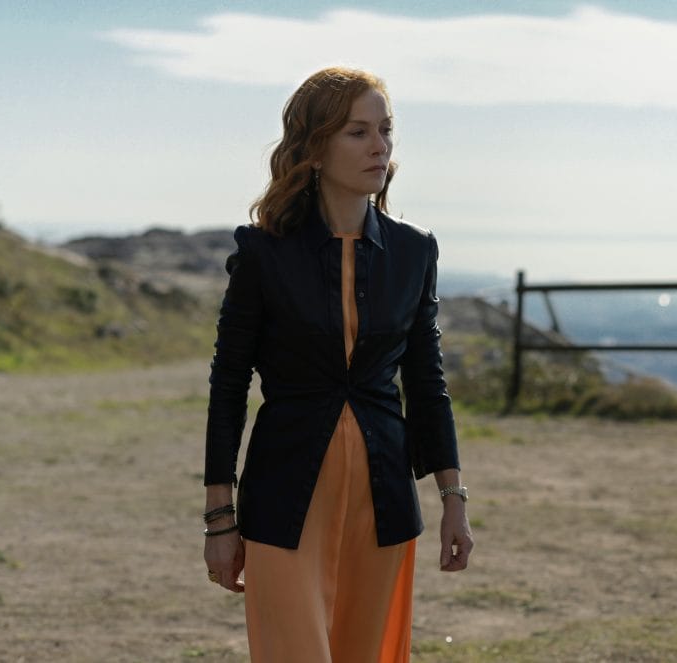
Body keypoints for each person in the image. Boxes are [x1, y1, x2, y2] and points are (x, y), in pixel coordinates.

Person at [201, 66, 473, 662]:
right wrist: (219, 517)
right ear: (315, 147)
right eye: (357, 131)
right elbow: (228, 385)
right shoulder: (263, 251)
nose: (380, 146)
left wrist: (453, 496)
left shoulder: (413, 251)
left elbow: (427, 383)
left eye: (386, 130)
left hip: (383, 502)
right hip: (285, 498)